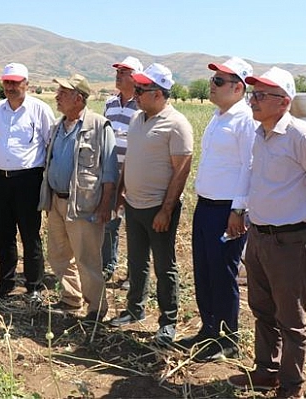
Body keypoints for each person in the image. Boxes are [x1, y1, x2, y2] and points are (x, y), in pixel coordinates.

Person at [226, 67, 306, 399]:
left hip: (290, 240)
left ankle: (291, 386)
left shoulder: (302, 136)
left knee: (291, 319)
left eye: (260, 95)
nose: (253, 101)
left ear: (283, 102)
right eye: (252, 94)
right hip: (259, 236)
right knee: (262, 309)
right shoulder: (260, 135)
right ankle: (266, 372)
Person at [176, 57, 257, 361]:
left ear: (239, 88)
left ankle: (228, 338)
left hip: (227, 210)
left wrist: (238, 211)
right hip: (206, 205)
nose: (212, 85)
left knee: (223, 273)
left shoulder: (245, 120)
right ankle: (209, 329)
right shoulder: (217, 116)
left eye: (219, 81)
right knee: (205, 270)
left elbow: (250, 167)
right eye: (213, 80)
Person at [107, 63, 194, 347]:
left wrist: (166, 210)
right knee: (136, 261)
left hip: (158, 208)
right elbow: (129, 160)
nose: (137, 93)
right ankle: (135, 308)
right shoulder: (138, 119)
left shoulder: (176, 124)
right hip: (133, 204)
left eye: (142, 89)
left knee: (164, 266)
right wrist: (121, 192)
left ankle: (167, 322)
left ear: (158, 93)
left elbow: (181, 171)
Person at [38, 73, 117, 322]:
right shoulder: (58, 126)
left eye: (63, 92)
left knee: (87, 258)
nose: (57, 97)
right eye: (58, 92)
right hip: (57, 202)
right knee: (59, 254)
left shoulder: (98, 126)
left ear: (78, 98)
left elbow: (110, 171)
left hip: (83, 203)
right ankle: (71, 299)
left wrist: (105, 206)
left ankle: (96, 309)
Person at [0, 63, 55, 301]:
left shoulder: (40, 109)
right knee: (3, 234)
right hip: (0, 180)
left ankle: (34, 286)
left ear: (27, 83)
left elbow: (50, 144)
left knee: (30, 234)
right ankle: (5, 283)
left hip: (28, 181)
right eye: (7, 82)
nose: (11, 87)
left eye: (15, 82)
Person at [102, 56, 142, 286]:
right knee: (109, 222)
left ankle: (135, 274)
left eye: (124, 71)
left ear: (136, 77)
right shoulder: (109, 103)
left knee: (136, 228)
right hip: (111, 173)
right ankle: (107, 266)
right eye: (118, 70)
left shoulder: (143, 105)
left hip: (136, 176)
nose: (118, 74)